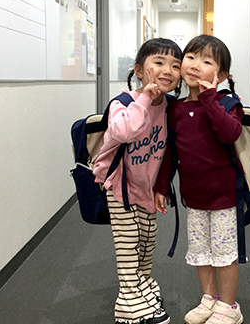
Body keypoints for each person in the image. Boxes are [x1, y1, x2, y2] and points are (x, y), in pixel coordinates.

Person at [154, 35, 244, 324]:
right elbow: (170, 151)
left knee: (224, 254)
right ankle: (210, 298)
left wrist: (209, 98)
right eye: (190, 57)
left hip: (224, 196)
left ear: (222, 75)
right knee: (200, 252)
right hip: (193, 196)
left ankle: (229, 307)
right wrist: (162, 185)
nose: (194, 65)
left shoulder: (227, 103)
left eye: (206, 61)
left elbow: (230, 133)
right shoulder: (176, 109)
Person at [93, 38, 182, 324]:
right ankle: (128, 305)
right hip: (119, 186)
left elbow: (171, 150)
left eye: (175, 65)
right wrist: (144, 98)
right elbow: (124, 132)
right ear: (140, 70)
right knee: (128, 244)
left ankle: (142, 286)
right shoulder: (123, 102)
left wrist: (161, 187)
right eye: (159, 62)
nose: (168, 70)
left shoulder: (169, 107)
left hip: (146, 187)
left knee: (147, 241)